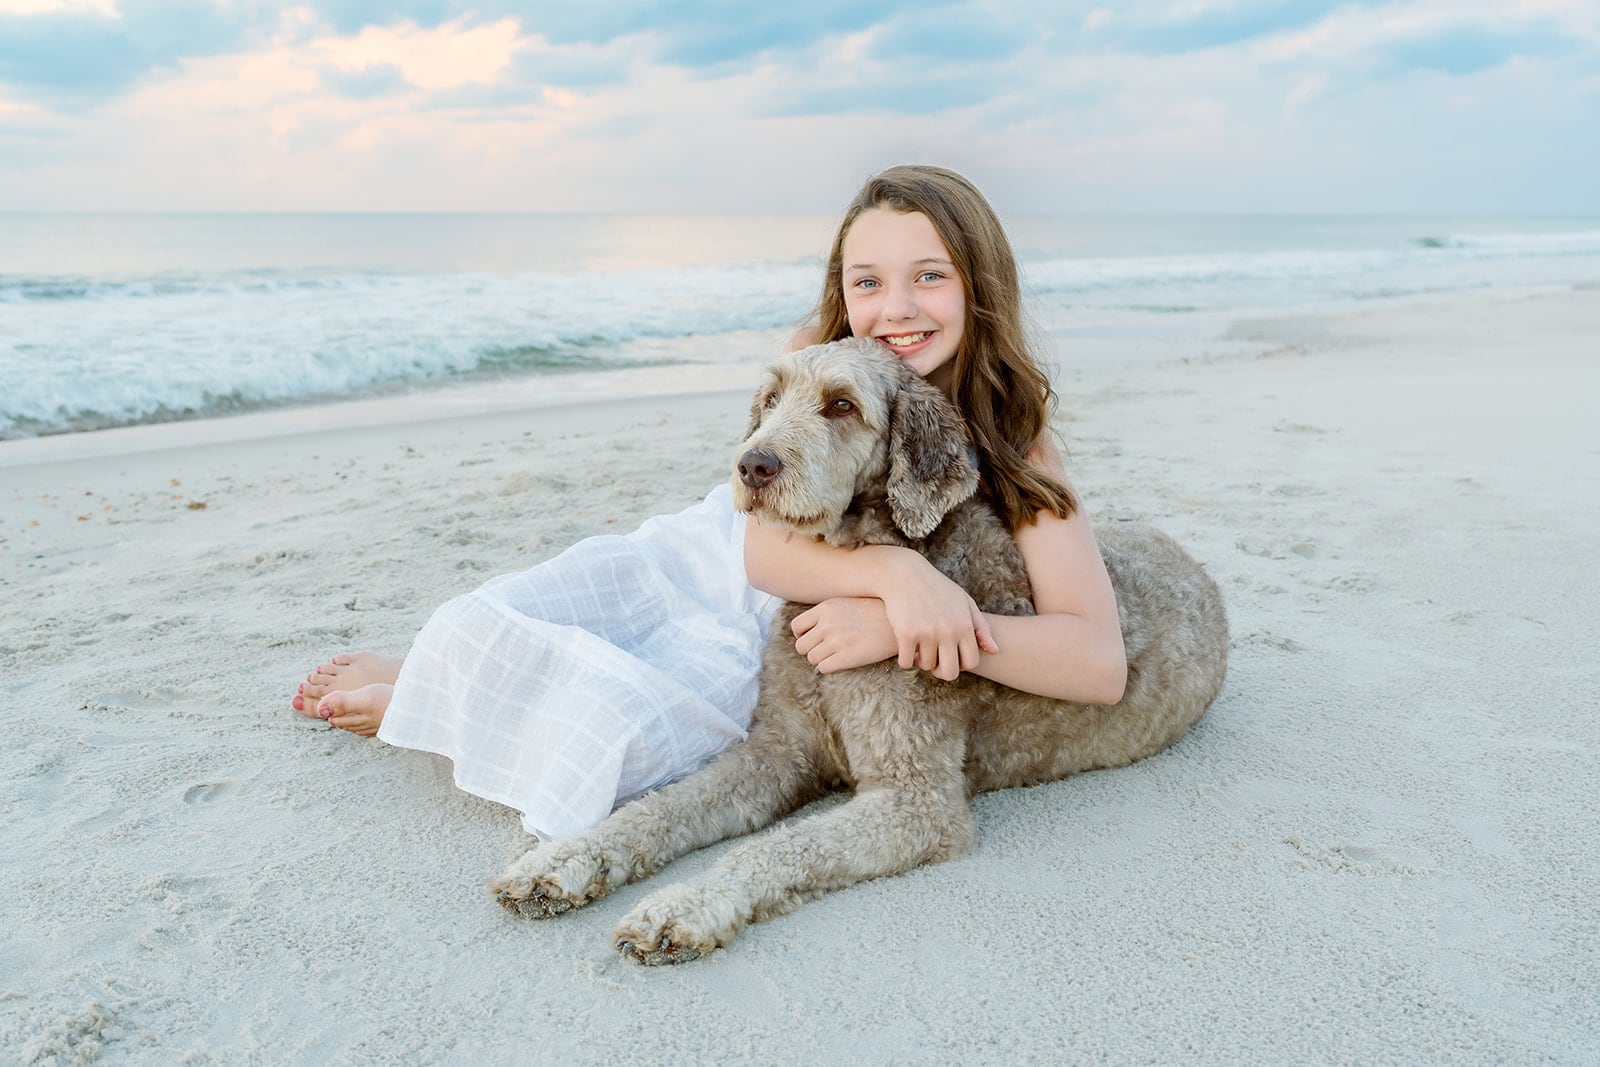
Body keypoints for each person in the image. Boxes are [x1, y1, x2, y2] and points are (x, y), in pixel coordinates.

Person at [292, 164, 1126, 841]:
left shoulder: (1016, 439)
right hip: (728, 545)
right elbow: (759, 546)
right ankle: (437, 670)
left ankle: (444, 696)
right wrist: (900, 580)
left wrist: (897, 622)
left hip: (792, 616)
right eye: (867, 280)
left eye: (929, 277)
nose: (895, 309)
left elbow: (1097, 662)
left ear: (979, 286)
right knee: (519, 606)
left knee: (627, 724)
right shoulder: (814, 354)